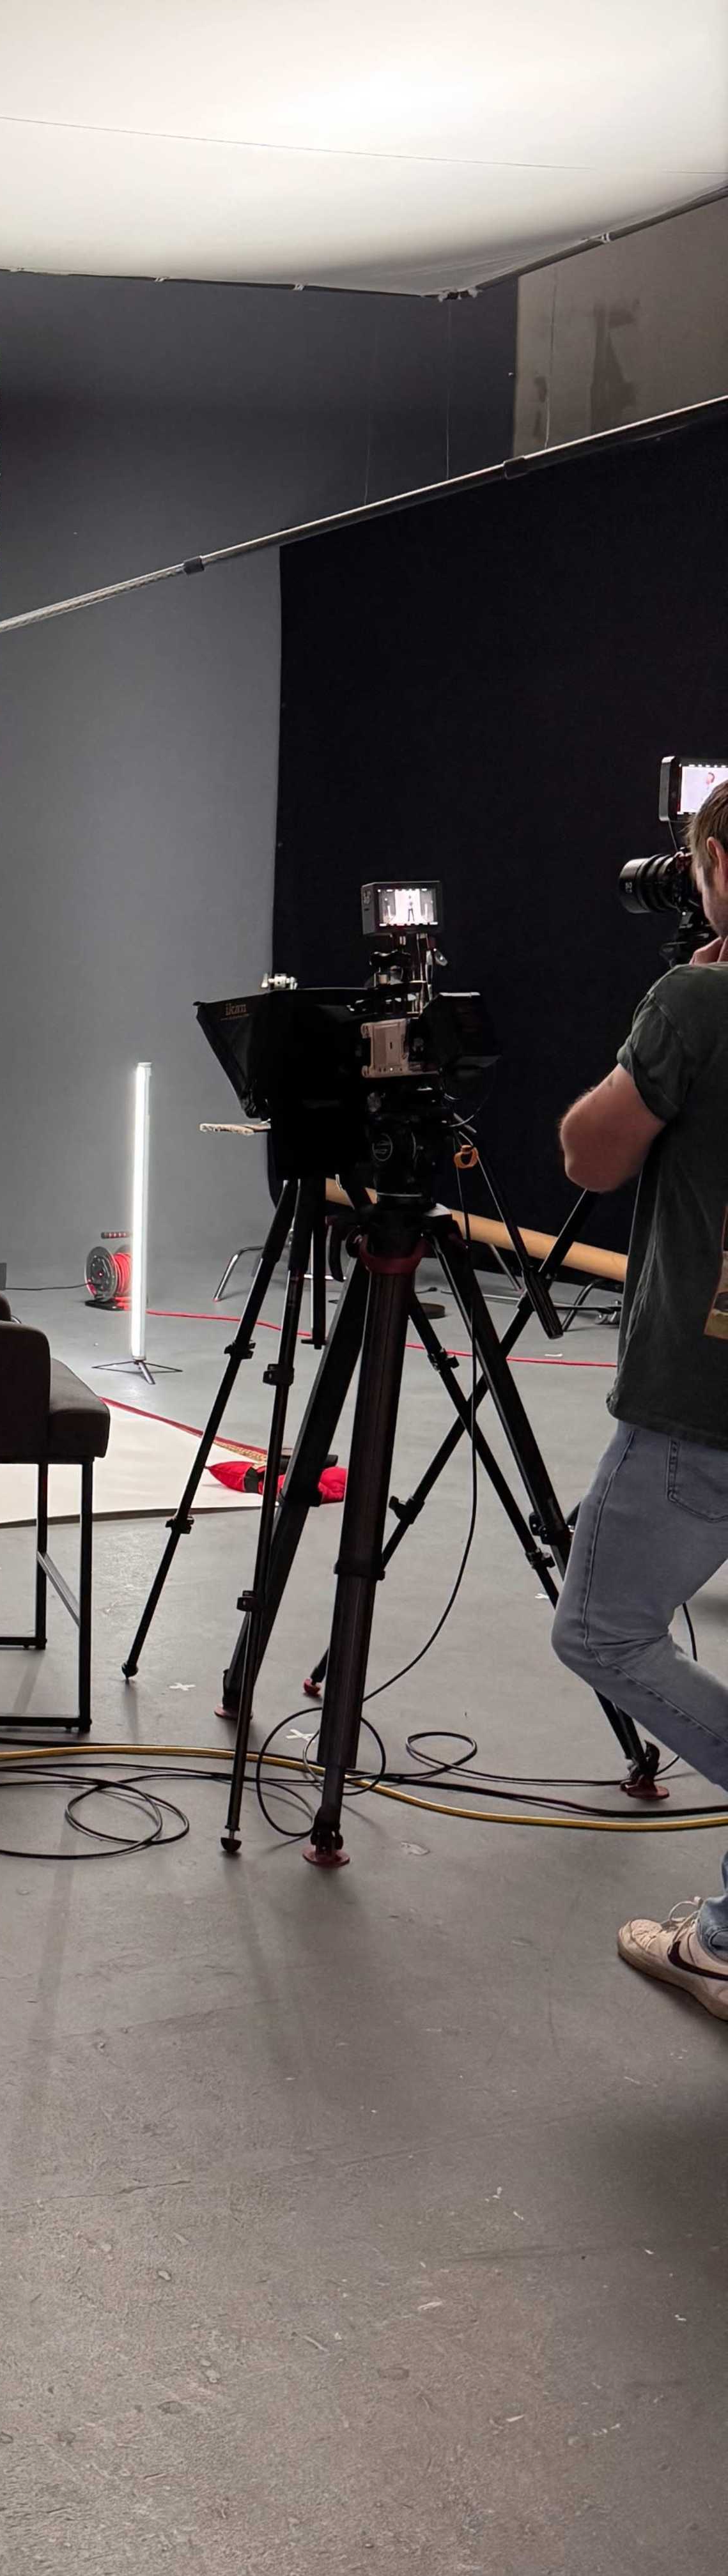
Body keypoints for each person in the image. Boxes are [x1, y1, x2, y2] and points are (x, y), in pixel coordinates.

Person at [552, 777, 728, 2019]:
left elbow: (591, 1153)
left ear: (720, 870)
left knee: (599, 1631)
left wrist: (673, 1018)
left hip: (702, 1390)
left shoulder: (697, 999)